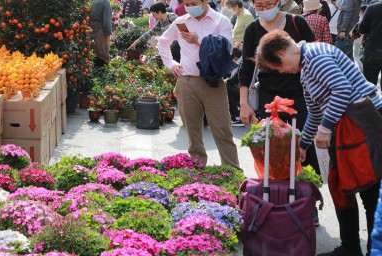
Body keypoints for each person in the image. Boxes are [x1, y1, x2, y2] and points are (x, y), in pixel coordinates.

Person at [256, 29, 382, 256]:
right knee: (341, 186)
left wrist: (325, 128)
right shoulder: (306, 69)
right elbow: (314, 112)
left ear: (281, 54)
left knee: (368, 188)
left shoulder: (315, 57)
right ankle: (350, 247)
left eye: (278, 67)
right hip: (346, 126)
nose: (282, 72)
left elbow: (342, 89)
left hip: (361, 123)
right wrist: (302, 145)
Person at [238, 0, 321, 217]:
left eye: (268, 4)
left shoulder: (296, 22)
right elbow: (246, 68)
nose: (263, 8)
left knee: (304, 148)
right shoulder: (252, 29)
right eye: (259, 4)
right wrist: (244, 104)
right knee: (271, 150)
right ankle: (275, 198)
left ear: (278, 2)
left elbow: (313, 57)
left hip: (301, 96)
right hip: (268, 98)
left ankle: (307, 203)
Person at [156, 0, 240, 168]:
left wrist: (199, 40)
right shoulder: (181, 21)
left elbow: (227, 50)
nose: (189, 7)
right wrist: (171, 64)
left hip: (213, 82)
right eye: (186, 4)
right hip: (186, 81)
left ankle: (233, 172)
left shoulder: (220, 20)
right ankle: (197, 170)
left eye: (193, 3)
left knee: (222, 130)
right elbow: (162, 42)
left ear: (204, 2)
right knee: (192, 132)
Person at [360, 1, 382, 86]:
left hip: (373, 49)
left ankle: (372, 99)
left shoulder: (372, 7)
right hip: (373, 49)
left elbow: (362, 29)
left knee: (369, 84)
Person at [90, 0, 113, 72]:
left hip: (87, 31)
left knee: (90, 58)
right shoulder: (105, 2)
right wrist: (108, 41)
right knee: (101, 59)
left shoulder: (88, 2)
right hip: (100, 34)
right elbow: (107, 24)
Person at [352, 5, 367, 70]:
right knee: (359, 55)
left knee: (355, 55)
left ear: (360, 12)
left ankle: (361, 68)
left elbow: (354, 31)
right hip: (363, 41)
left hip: (356, 40)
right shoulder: (367, 20)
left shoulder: (359, 20)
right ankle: (361, 67)